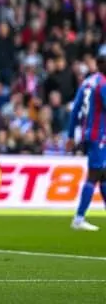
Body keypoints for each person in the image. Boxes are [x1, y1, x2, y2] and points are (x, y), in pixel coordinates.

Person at [66, 54, 106, 231]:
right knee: (95, 174)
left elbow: (75, 109)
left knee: (104, 176)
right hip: (99, 135)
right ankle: (79, 218)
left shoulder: (88, 82)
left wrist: (70, 135)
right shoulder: (103, 84)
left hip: (88, 133)